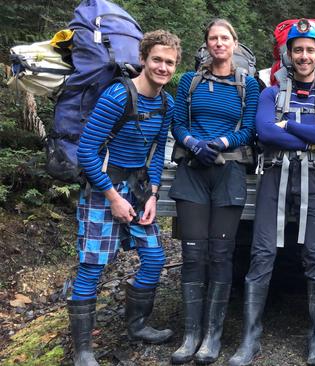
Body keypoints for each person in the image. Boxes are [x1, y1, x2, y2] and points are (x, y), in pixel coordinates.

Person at [228, 19, 315, 366]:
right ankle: (249, 340)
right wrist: (312, 133)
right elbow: (264, 132)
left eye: (310, 49)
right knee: (262, 253)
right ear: (288, 54)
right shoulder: (269, 93)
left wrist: (290, 125)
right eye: (298, 50)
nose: (304, 56)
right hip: (275, 175)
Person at [67, 30, 181, 366]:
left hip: (139, 189)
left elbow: (158, 151)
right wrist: (113, 196)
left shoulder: (167, 103)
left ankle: (137, 326)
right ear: (143, 59)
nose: (163, 67)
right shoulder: (118, 96)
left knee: (154, 258)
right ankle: (84, 352)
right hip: (105, 189)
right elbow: (86, 151)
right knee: (92, 266)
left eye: (169, 62)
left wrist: (154, 195)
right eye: (157, 59)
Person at [168, 19, 259, 365]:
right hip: (192, 172)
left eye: (224, 38)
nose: (218, 44)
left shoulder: (248, 84)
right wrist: (192, 142)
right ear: (205, 45)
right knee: (193, 254)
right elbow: (178, 123)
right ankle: (191, 334)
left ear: (235, 44)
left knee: (221, 254)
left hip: (229, 173)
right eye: (212, 39)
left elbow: (249, 129)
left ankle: (213, 336)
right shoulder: (190, 82)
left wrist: (220, 142)